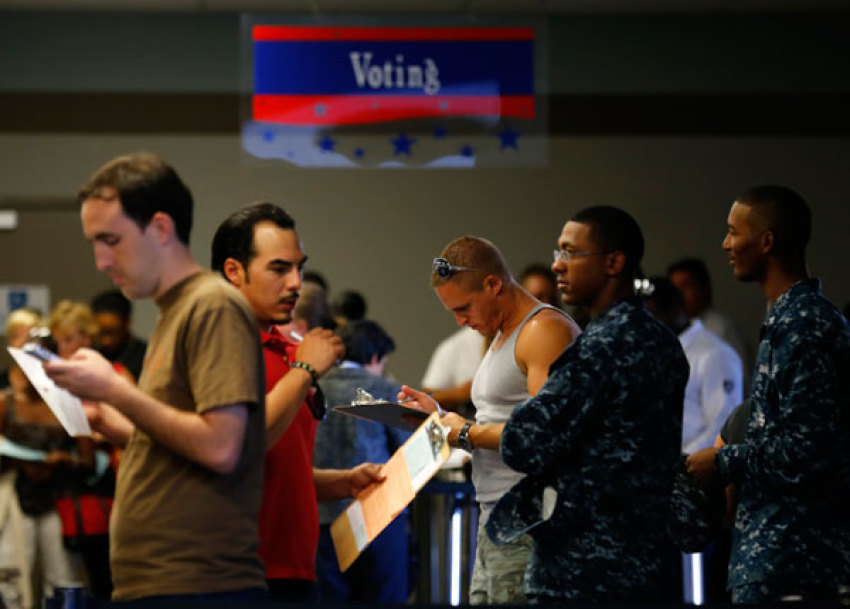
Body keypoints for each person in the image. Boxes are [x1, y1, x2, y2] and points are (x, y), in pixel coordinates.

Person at [44, 152, 268, 602]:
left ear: (161, 228)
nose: (102, 261)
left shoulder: (212, 305)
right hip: (165, 582)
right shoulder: (175, 311)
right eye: (95, 243)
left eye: (111, 240)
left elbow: (220, 446)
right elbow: (181, 440)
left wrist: (115, 390)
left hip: (196, 584)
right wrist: (112, 421)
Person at [485, 206, 689, 602]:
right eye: (558, 252)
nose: (557, 265)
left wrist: (471, 430)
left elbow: (526, 441)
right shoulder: (663, 342)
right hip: (643, 560)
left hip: (583, 566)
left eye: (570, 253)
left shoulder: (602, 346)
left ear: (613, 262)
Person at [211, 201, 383, 603]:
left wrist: (343, 481)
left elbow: (281, 469)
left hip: (295, 569)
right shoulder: (216, 346)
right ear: (234, 271)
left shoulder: (289, 351)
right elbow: (242, 446)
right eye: (279, 269)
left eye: (299, 268)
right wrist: (305, 369)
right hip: (237, 573)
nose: (295, 283)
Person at [687, 185, 850, 604]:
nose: (725, 243)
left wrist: (720, 461)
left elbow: (807, 449)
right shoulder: (784, 318)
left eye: (732, 232)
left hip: (797, 560)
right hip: (771, 556)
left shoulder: (806, 325)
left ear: (767, 241)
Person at [402, 236, 581, 605]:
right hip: (496, 517)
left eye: (464, 307)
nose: (460, 320)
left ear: (493, 284)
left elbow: (547, 437)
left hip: (530, 521)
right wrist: (439, 418)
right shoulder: (503, 335)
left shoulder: (544, 331)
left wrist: (464, 431)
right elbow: (502, 419)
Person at [313, 319, 411, 603]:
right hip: (378, 516)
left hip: (324, 517)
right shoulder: (382, 387)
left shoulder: (313, 387)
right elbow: (406, 448)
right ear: (374, 356)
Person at [0, 309, 89, 606]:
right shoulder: (6, 403)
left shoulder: (69, 403)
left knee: (63, 576)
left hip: (59, 496)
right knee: (11, 573)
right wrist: (20, 463)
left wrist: (66, 460)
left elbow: (88, 461)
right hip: (14, 497)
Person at [644, 277, 743, 454]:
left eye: (652, 315)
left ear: (675, 311)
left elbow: (724, 428)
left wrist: (679, 464)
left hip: (692, 471)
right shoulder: (652, 348)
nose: (644, 324)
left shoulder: (715, 353)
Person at [667, 257, 750, 372]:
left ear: (704, 288)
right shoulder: (671, 329)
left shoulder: (721, 328)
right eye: (675, 288)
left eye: (687, 286)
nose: (679, 293)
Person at [89, 289, 147, 381]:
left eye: (113, 333)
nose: (106, 341)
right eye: (100, 333)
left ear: (127, 323)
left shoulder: (146, 356)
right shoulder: (89, 352)